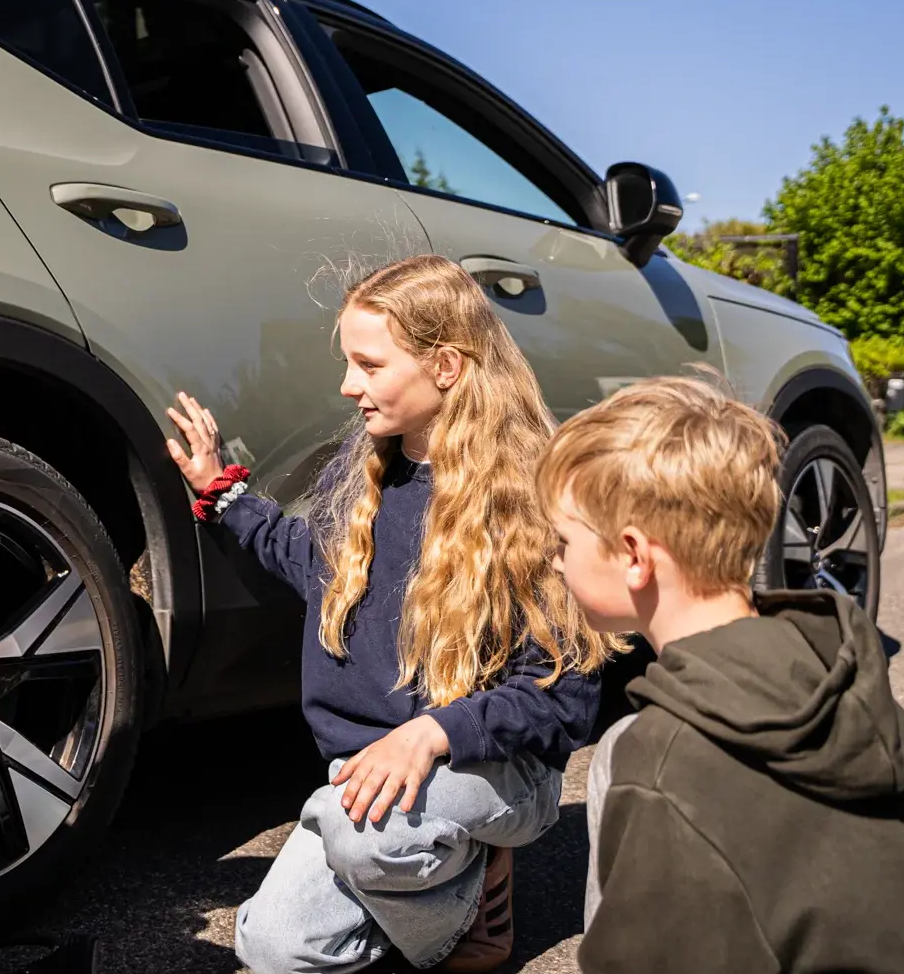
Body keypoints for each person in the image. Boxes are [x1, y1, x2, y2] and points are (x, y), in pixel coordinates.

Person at [166, 256, 612, 973]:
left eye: (369, 365)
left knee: (361, 836)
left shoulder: (528, 492)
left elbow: (568, 695)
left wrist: (436, 732)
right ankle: (435, 881)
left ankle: (473, 912)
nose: (349, 386)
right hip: (367, 774)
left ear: (445, 365)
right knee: (272, 948)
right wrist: (223, 494)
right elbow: (311, 562)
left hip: (490, 765)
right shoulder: (364, 466)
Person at [541, 376, 904, 973]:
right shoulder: (841, 678)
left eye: (562, 541)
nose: (554, 559)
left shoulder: (658, 761)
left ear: (634, 556)